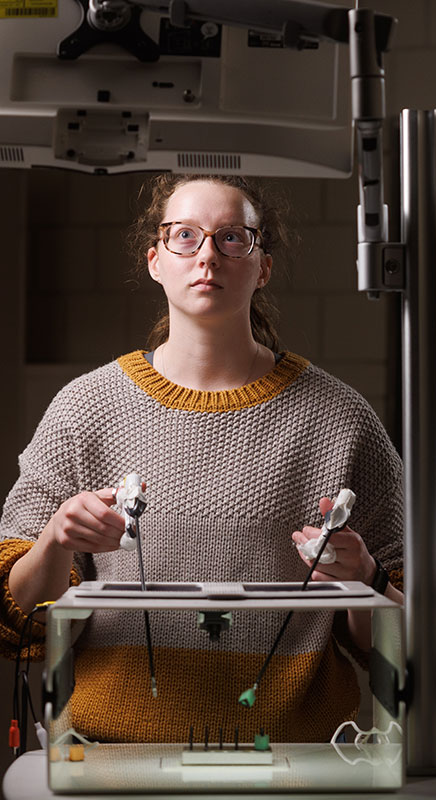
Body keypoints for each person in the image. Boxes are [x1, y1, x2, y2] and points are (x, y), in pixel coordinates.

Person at [0, 174, 404, 745]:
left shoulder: (340, 418)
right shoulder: (83, 410)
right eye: (184, 236)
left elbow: (402, 639)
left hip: (292, 764)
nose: (207, 255)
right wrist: (54, 540)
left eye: (232, 237)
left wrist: (366, 578)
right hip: (110, 763)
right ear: (155, 261)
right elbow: (18, 621)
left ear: (262, 264)